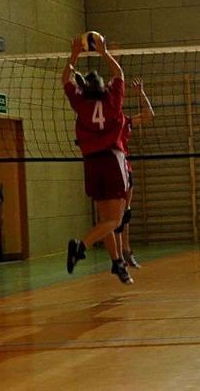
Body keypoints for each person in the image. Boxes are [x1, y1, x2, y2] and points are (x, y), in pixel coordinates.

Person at [61, 33, 132, 284]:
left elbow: (65, 79)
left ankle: (117, 263)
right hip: (112, 160)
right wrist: (103, 52)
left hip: (91, 162)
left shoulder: (80, 103)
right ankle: (80, 246)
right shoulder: (113, 100)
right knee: (116, 219)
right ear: (103, 87)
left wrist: (74, 55)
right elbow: (119, 74)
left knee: (106, 220)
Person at [115, 77, 155, 269]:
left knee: (126, 212)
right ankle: (118, 256)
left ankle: (126, 251)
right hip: (112, 169)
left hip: (126, 168)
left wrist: (141, 93)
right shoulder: (105, 122)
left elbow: (149, 115)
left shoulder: (125, 121)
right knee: (115, 214)